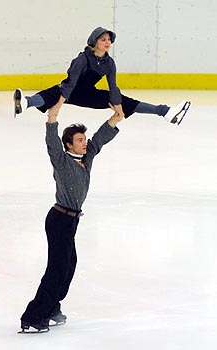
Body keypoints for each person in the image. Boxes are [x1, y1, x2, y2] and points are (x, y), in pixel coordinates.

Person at [19, 106, 123, 333]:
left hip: (71, 221)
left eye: (84, 139)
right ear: (69, 145)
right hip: (59, 220)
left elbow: (99, 140)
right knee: (57, 268)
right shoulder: (61, 160)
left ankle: (53, 305)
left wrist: (114, 120)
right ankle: (34, 316)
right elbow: (51, 142)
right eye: (79, 140)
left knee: (69, 266)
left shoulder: (87, 157)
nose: (84, 143)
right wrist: (52, 117)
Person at [14, 27, 191, 124]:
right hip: (69, 90)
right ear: (94, 42)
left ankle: (166, 112)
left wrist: (119, 108)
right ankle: (26, 102)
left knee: (122, 99)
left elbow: (113, 88)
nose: (107, 43)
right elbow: (70, 83)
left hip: (88, 95)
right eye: (103, 39)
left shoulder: (109, 63)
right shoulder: (82, 59)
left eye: (109, 40)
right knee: (54, 92)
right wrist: (58, 106)